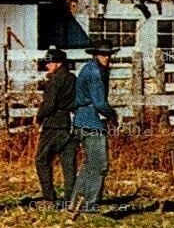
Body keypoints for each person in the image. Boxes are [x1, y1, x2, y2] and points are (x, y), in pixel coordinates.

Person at [69, 40, 118, 217]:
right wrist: (113, 115)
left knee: (90, 164)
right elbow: (99, 103)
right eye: (104, 54)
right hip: (92, 122)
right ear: (96, 54)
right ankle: (89, 207)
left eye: (109, 54)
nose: (107, 58)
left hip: (82, 120)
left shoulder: (89, 68)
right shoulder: (95, 73)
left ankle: (74, 201)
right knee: (100, 166)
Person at [34, 48, 78, 206]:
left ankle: (49, 197)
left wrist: (39, 117)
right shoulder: (73, 78)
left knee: (42, 160)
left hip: (53, 124)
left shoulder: (54, 80)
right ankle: (70, 199)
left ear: (59, 63)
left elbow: (49, 104)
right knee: (69, 163)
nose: (47, 66)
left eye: (49, 62)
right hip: (70, 123)